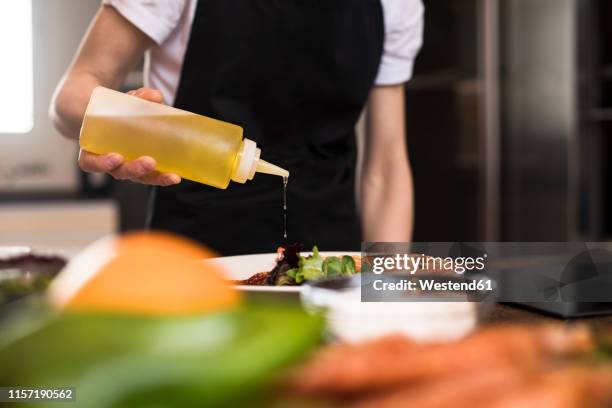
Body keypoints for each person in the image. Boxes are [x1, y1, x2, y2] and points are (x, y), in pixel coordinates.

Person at [51, 0, 424, 255]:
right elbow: (72, 97)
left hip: (328, 258)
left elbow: (387, 166)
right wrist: (116, 124)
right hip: (194, 254)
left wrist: (386, 291)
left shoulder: (396, 6)